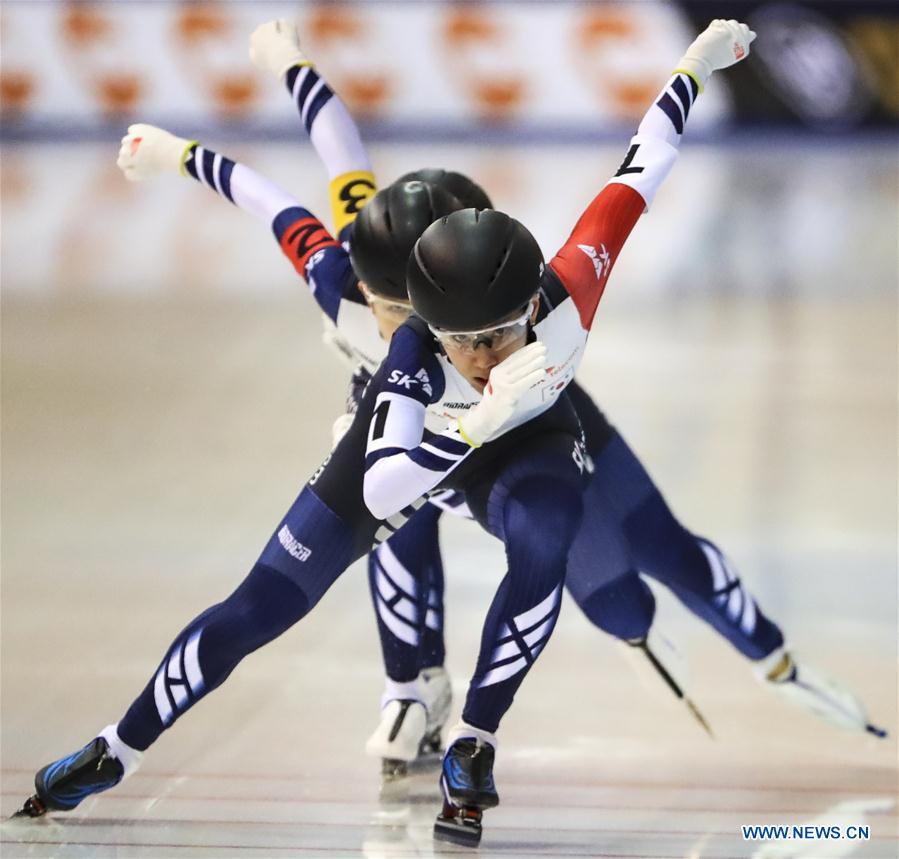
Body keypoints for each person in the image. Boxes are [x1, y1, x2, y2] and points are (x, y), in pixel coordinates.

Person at [18, 19, 880, 848]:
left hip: (528, 438)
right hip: (436, 439)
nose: (478, 353)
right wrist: (477, 414)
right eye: (451, 335)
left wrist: (691, 71)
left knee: (572, 545)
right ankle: (128, 743)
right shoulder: (392, 332)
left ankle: (474, 735)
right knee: (265, 601)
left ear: (527, 297)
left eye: (499, 333)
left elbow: (636, 176)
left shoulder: (570, 290)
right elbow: (387, 484)